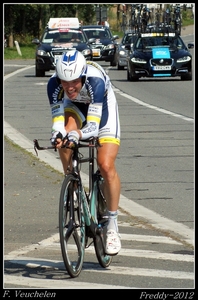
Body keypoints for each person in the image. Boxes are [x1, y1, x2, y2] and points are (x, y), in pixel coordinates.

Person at [47, 49, 121, 256]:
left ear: (83, 75)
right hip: (76, 107)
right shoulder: (53, 84)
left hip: (102, 110)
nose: (69, 87)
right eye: (65, 81)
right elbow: (58, 121)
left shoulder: (95, 81)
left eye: (74, 82)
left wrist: (78, 134)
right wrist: (58, 135)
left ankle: (113, 225)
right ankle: (72, 183)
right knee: (64, 138)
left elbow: (93, 128)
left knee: (105, 164)